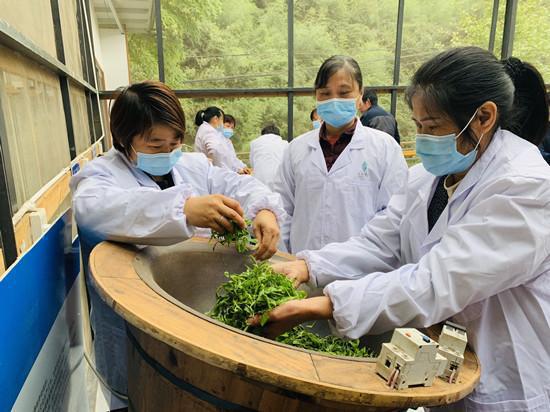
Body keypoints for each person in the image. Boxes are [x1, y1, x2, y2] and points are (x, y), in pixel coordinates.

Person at [258, 48, 550, 411]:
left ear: (483, 117)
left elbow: (438, 281)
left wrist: (328, 304)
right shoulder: (429, 176)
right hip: (445, 366)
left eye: (433, 127)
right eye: (418, 125)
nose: (423, 137)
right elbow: (381, 241)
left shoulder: (526, 185)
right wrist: (307, 266)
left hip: (510, 378)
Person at [70, 81, 285, 399]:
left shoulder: (192, 165)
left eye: (175, 142)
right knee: (137, 396)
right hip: (132, 330)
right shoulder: (101, 176)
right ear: (125, 139)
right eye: (155, 145)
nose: (168, 153)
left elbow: (239, 185)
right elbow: (94, 210)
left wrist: (264, 209)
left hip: (191, 309)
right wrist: (183, 209)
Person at [273, 55, 408, 254]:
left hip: (360, 268)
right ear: (316, 96)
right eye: (325, 93)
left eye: (344, 93)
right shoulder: (296, 149)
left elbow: (392, 216)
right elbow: (283, 209)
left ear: (360, 94)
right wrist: (286, 259)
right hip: (300, 265)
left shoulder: (385, 148)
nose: (334, 101)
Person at [194, 107, 250, 174]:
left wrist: (240, 168)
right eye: (222, 120)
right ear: (215, 119)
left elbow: (230, 158)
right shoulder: (209, 131)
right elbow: (215, 151)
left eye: (232, 127)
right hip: (214, 173)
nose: (222, 123)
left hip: (216, 172)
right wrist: (229, 172)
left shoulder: (207, 130)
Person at [249, 124, 289, 189]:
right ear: (278, 135)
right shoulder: (285, 144)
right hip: (280, 183)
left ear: (263, 134)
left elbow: (252, 164)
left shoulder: (254, 143)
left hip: (259, 183)